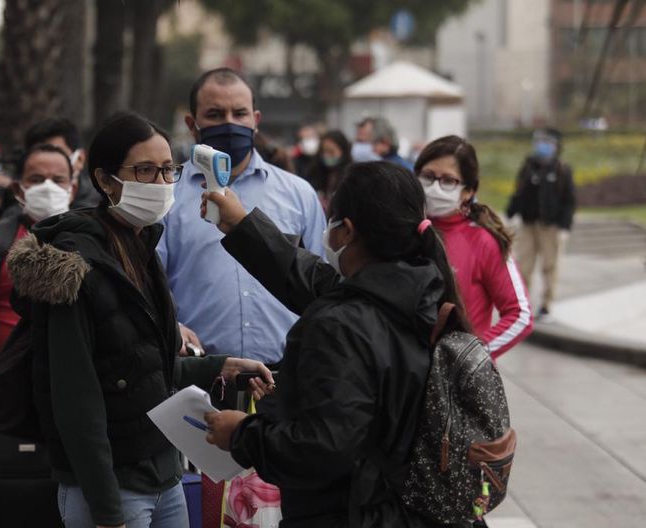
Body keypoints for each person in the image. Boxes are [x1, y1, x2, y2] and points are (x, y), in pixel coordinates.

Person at [7, 112, 273, 528]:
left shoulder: (141, 243)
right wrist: (107, 512)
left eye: (168, 170)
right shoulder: (74, 265)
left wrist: (219, 367)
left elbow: (140, 366)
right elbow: (76, 402)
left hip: (161, 474)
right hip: (109, 487)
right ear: (106, 179)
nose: (162, 183)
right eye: (146, 170)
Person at [200, 161, 471, 527]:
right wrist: (241, 224)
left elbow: (323, 448)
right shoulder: (420, 294)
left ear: (345, 231)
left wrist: (242, 434)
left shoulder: (340, 325)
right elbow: (311, 280)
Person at [157, 67, 326, 366]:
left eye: (239, 113)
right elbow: (151, 282)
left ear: (256, 120)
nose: (229, 123)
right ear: (192, 123)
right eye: (215, 114)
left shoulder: (299, 194)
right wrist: (171, 327)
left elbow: (320, 287)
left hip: (282, 378)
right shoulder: (168, 195)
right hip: (199, 374)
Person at [0, 142, 79, 394]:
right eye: (36, 179)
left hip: (73, 390)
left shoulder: (91, 244)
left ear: (72, 189)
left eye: (58, 180)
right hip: (6, 392)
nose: (48, 187)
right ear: (19, 189)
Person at [416, 136, 533, 359]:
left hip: (457, 384)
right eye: (428, 177)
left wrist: (471, 357)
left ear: (468, 191)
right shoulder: (406, 230)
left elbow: (520, 315)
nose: (435, 188)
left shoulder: (483, 241)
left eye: (448, 181)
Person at [506, 128, 576, 321]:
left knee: (549, 267)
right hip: (528, 225)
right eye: (539, 141)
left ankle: (546, 305)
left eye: (547, 142)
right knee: (523, 266)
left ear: (555, 146)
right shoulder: (528, 167)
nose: (542, 145)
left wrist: (564, 226)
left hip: (550, 227)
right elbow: (518, 192)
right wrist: (511, 213)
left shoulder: (562, 170)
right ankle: (522, 305)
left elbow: (569, 201)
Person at [24, 116, 100, 208]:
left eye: (58, 154)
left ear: (80, 159)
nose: (47, 164)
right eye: (39, 155)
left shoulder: (103, 205)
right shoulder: (15, 211)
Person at [306, 129, 352, 212]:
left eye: (331, 151)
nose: (327, 155)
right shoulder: (315, 171)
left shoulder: (350, 176)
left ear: (343, 151)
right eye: (324, 151)